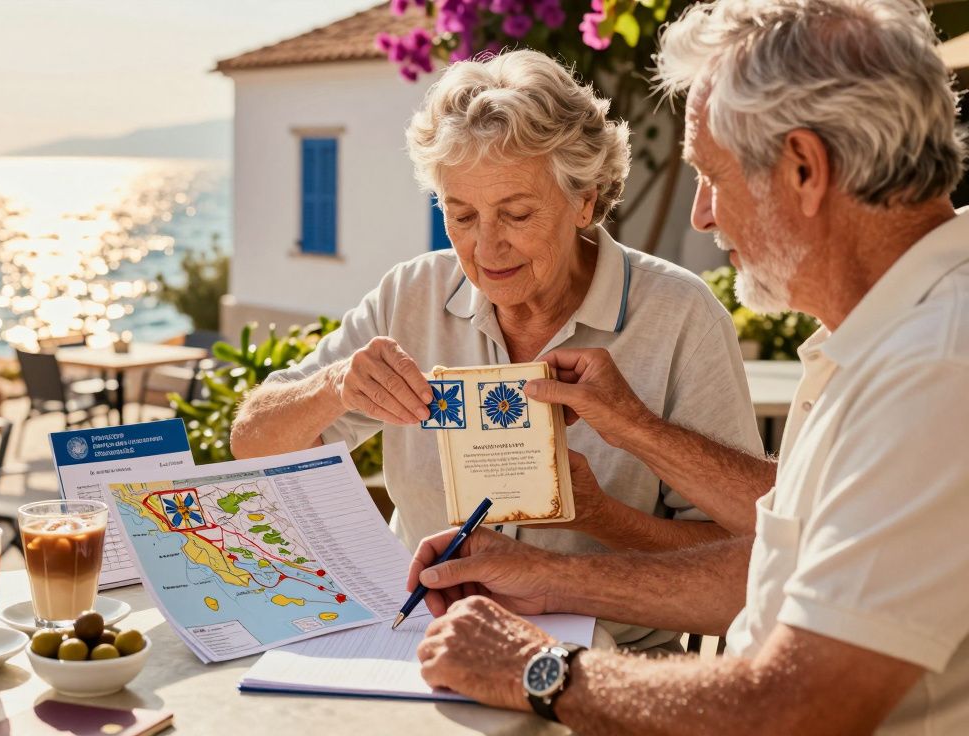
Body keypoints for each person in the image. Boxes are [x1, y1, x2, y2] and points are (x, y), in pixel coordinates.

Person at [411, 0, 969, 732]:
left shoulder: (933, 367)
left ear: (804, 168)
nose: (702, 215)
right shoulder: (895, 334)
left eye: (712, 175)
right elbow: (781, 557)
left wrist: (534, 669)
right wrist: (549, 577)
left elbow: (792, 707)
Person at [231, 49, 766, 651]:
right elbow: (251, 444)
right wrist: (334, 388)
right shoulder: (411, 294)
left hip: (608, 661)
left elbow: (753, 552)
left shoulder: (679, 315)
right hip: (417, 645)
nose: (487, 247)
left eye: (516, 213)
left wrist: (599, 515)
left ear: (584, 199)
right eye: (460, 216)